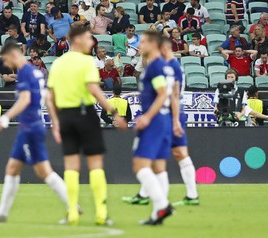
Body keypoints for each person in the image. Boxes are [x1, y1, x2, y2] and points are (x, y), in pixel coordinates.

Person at [0, 41, 69, 223]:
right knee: (12, 168)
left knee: (44, 171)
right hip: (29, 128)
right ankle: (1, 213)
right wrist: (55, 123)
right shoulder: (35, 72)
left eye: (5, 59)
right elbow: (48, 99)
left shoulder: (26, 73)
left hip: (31, 128)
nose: (6, 64)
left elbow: (25, 99)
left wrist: (5, 117)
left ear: (12, 55)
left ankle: (72, 206)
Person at [46, 23, 126, 226]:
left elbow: (50, 97)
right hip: (85, 114)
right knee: (95, 165)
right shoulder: (87, 62)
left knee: (71, 166)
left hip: (65, 116)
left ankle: (72, 212)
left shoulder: (58, 63)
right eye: (89, 38)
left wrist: (55, 123)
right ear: (78, 40)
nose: (92, 42)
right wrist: (114, 112)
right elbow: (94, 90)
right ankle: (101, 213)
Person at [130, 31, 177, 225]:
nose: (139, 45)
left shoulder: (154, 67)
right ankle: (158, 213)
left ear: (153, 45)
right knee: (158, 167)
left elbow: (162, 93)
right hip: (164, 119)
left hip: (155, 120)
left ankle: (162, 204)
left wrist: (146, 117)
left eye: (143, 42)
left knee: (140, 165)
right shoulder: (163, 66)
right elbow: (170, 94)